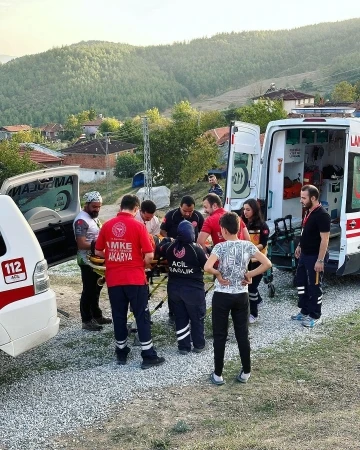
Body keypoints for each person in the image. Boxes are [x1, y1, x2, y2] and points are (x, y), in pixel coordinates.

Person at [95, 194, 165, 369]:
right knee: (141, 315)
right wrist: (136, 263)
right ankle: (148, 355)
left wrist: (113, 259)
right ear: (136, 209)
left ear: (120, 207)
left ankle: (121, 352)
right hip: (135, 278)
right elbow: (149, 256)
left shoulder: (107, 225)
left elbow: (98, 251)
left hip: (114, 279)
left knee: (118, 315)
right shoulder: (139, 226)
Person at [204, 212, 271, 386]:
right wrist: (249, 274)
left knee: (220, 335)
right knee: (242, 334)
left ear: (224, 230)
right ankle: (246, 371)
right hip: (241, 294)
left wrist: (218, 274)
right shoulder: (247, 245)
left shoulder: (219, 247)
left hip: (222, 295)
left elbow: (207, 266)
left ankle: (218, 374)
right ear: (240, 229)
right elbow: (267, 263)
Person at [159, 221, 207, 355]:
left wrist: (167, 240)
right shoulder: (196, 249)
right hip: (193, 290)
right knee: (197, 317)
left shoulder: (170, 247)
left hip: (174, 289)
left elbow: (159, 249)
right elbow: (206, 265)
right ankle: (199, 345)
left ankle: (183, 346)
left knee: (180, 317)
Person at [160, 195, 204, 324]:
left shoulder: (198, 216)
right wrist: (171, 241)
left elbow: (202, 234)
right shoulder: (171, 215)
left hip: (192, 253)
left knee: (191, 283)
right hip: (174, 252)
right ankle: (173, 312)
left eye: (190, 211)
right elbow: (162, 231)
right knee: (174, 282)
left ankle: (192, 312)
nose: (188, 214)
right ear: (180, 206)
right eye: (185, 211)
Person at [291, 185, 330, 328]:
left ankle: (315, 315)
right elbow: (305, 232)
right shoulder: (308, 211)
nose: (301, 200)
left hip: (315, 257)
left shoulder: (322, 215)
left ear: (313, 198)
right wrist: (300, 246)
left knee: (314, 286)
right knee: (301, 283)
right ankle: (304, 310)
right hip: (304, 255)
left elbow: (325, 239)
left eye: (303, 197)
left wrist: (320, 260)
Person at [73, 191, 112, 332]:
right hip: (86, 260)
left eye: (99, 207)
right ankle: (86, 320)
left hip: (96, 259)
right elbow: (81, 243)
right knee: (88, 290)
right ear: (87, 204)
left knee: (96, 289)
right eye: (94, 206)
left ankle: (97, 315)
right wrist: (98, 245)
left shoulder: (92, 217)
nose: (97, 209)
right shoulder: (81, 220)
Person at [241, 199, 270, 324]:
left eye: (248, 209)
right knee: (248, 286)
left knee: (252, 287)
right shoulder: (242, 224)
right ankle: (258, 301)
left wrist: (251, 250)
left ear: (254, 210)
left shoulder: (263, 226)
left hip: (259, 260)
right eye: (244, 209)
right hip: (247, 260)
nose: (245, 212)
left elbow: (263, 244)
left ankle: (254, 314)